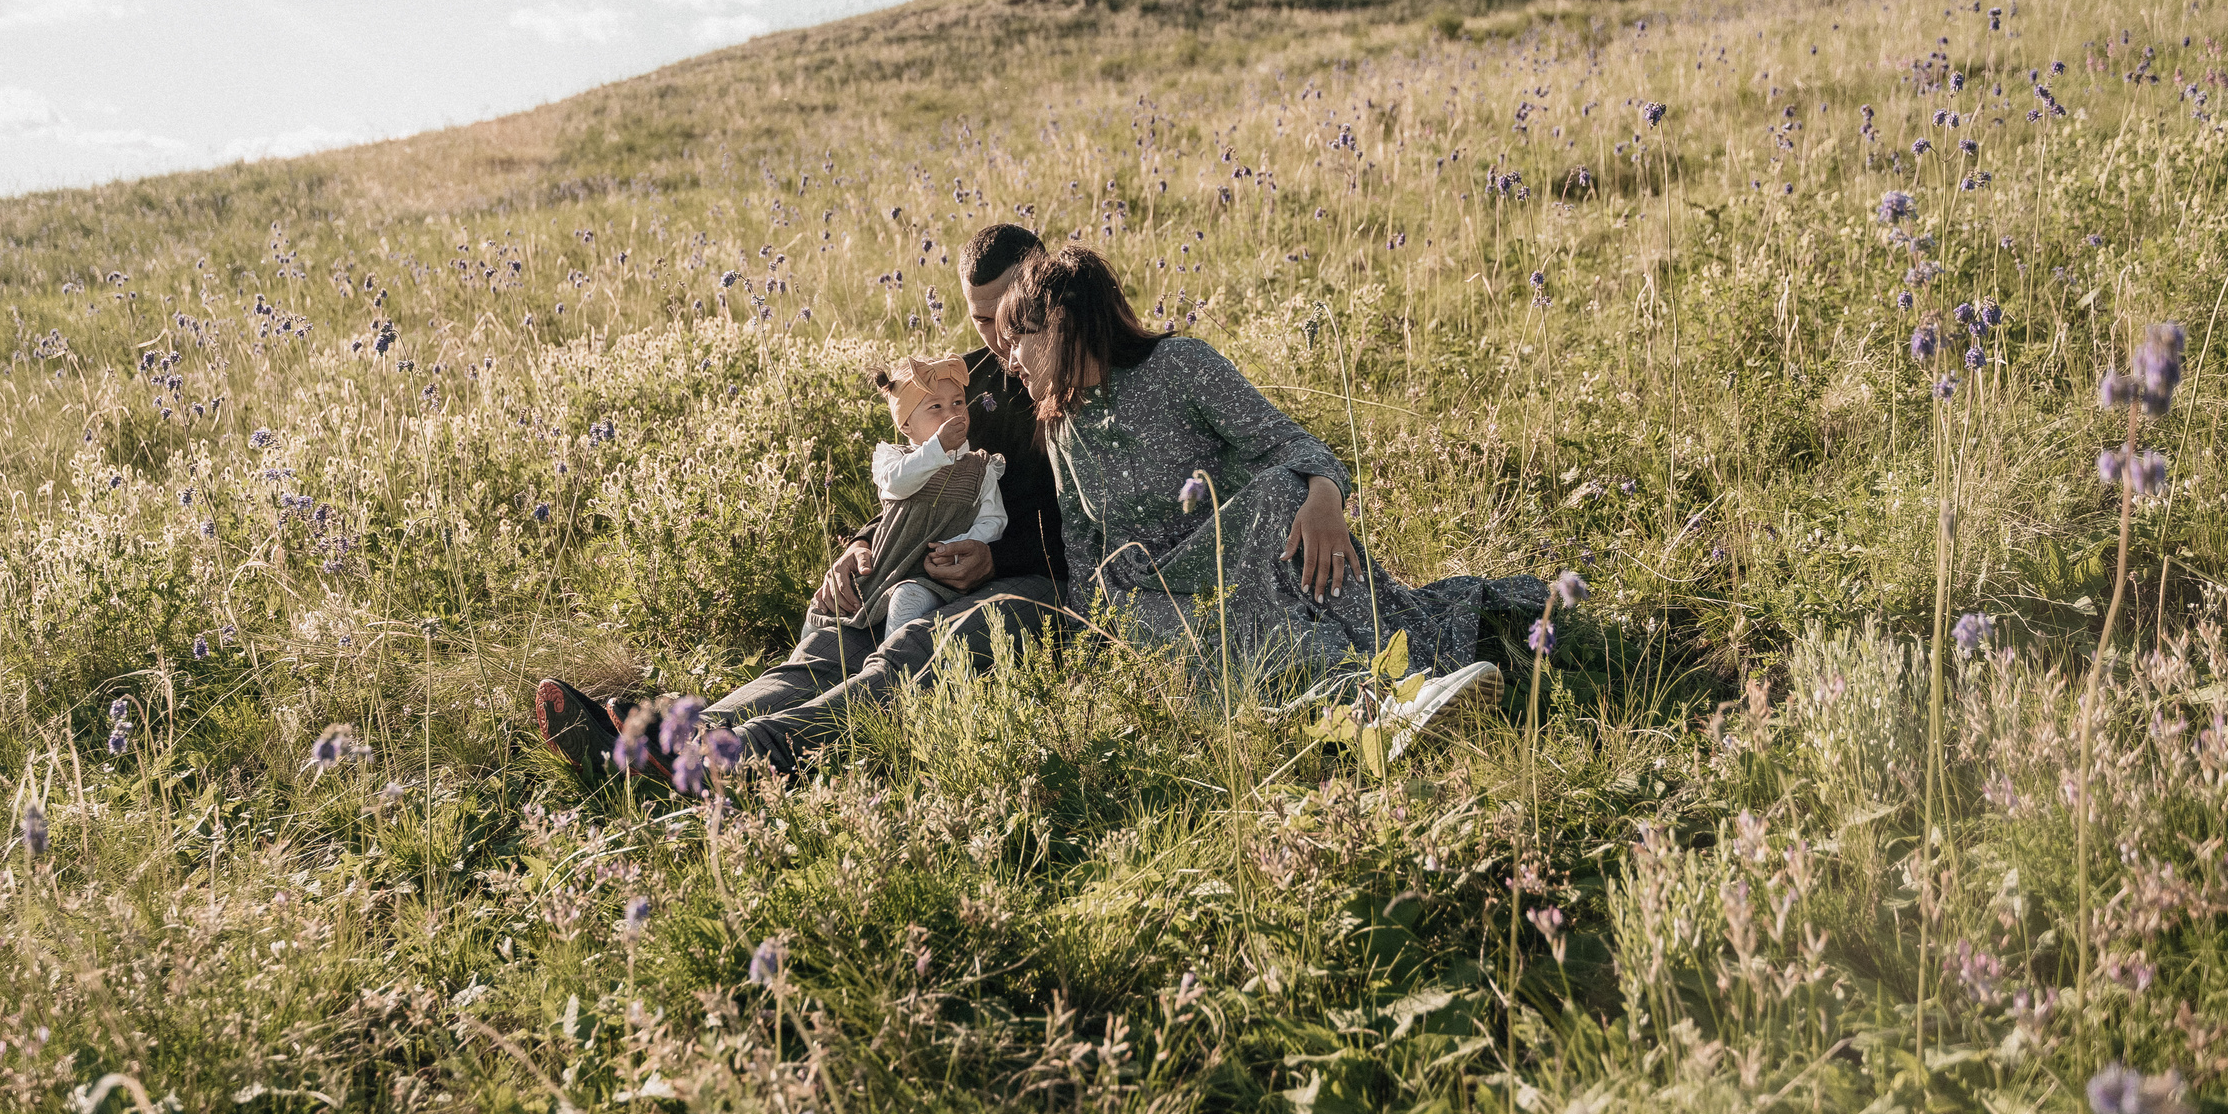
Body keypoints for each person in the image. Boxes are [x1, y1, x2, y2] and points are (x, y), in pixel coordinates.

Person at [535, 222, 1068, 779]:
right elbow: (916, 485)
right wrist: (861, 545)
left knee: (911, 646)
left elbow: (1092, 529)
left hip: (1032, 581)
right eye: (982, 320)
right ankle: (661, 743)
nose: (1000, 339)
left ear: (1044, 289)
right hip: (925, 563)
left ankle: (737, 756)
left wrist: (997, 559)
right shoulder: (961, 384)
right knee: (833, 642)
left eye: (1009, 316)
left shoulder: (1076, 383)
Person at [997, 244, 1541, 672]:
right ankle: (1365, 697)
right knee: (1232, 648)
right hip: (1150, 597)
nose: (1009, 361)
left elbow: (1292, 444)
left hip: (1238, 561)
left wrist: (1325, 498)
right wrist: (1091, 647)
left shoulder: (1179, 365)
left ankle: (1397, 682)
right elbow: (1082, 546)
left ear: (1060, 321)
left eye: (1017, 338)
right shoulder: (1060, 424)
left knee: (1285, 490)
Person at [858, 354, 1008, 637]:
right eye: (935, 406)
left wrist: (956, 547)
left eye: (958, 402)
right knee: (826, 612)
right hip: (887, 567)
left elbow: (993, 519)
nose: (952, 414)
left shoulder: (980, 467)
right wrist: (937, 448)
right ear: (906, 425)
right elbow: (898, 484)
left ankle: (892, 660)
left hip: (936, 575)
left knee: (908, 600)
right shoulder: (894, 459)